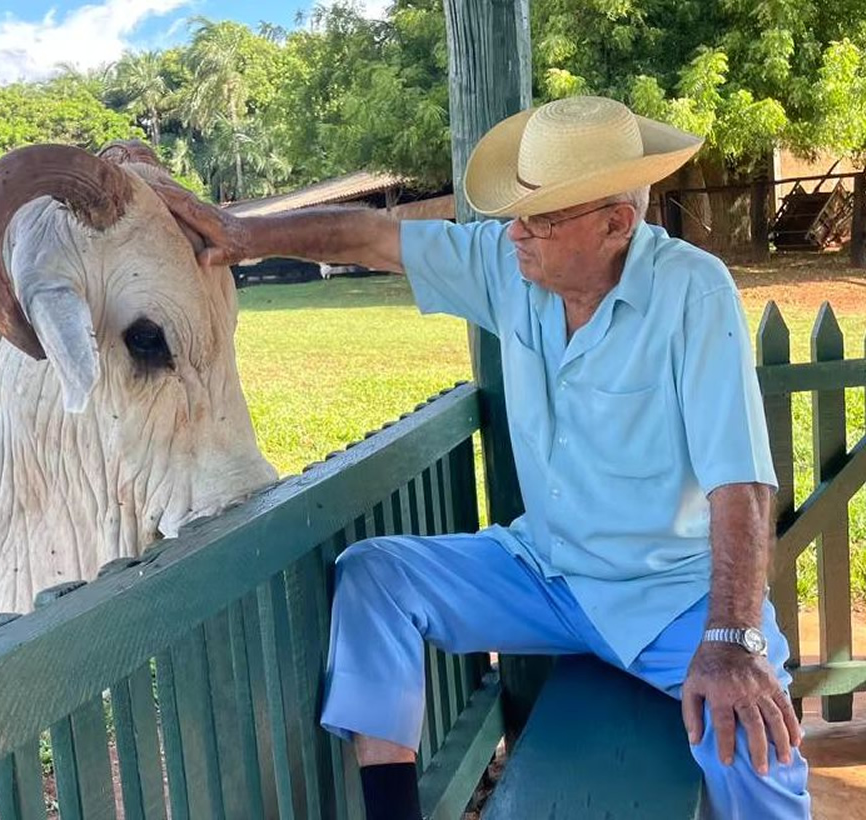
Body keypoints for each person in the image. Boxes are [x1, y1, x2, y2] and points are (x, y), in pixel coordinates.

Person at [151, 95, 810, 819]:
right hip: (545, 572)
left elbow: (740, 480)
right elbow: (372, 236)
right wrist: (243, 235)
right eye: (519, 211)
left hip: (669, 598)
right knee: (376, 576)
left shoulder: (691, 292)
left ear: (617, 224)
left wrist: (733, 638)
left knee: (755, 740)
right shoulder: (510, 268)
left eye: (542, 218)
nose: (515, 233)